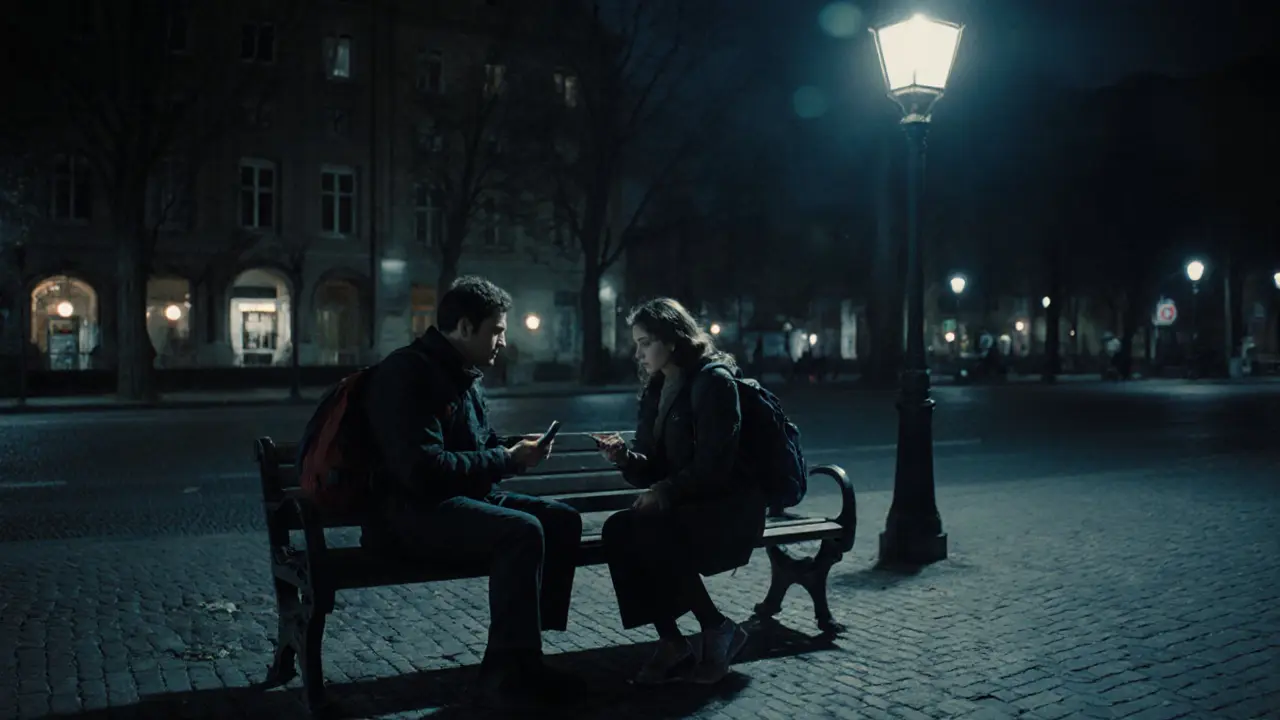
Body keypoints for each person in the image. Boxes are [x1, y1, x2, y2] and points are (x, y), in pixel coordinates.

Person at [361, 276, 583, 710]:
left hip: (456, 501)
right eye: (497, 330)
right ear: (465, 327)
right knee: (521, 532)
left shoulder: (463, 374)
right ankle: (504, 673)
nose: (503, 340)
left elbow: (479, 449)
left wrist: (518, 452)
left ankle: (526, 655)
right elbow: (423, 470)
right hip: (410, 514)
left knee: (561, 520)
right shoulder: (409, 372)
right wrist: (506, 459)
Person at [594, 298, 765, 685]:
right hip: (687, 503)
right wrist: (624, 458)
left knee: (649, 528)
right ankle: (672, 640)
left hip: (728, 507)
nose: (637, 353)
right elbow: (651, 466)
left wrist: (664, 492)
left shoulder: (713, 382)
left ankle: (716, 627)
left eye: (644, 343)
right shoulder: (657, 387)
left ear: (671, 340)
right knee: (620, 529)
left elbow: (715, 466)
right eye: (636, 343)